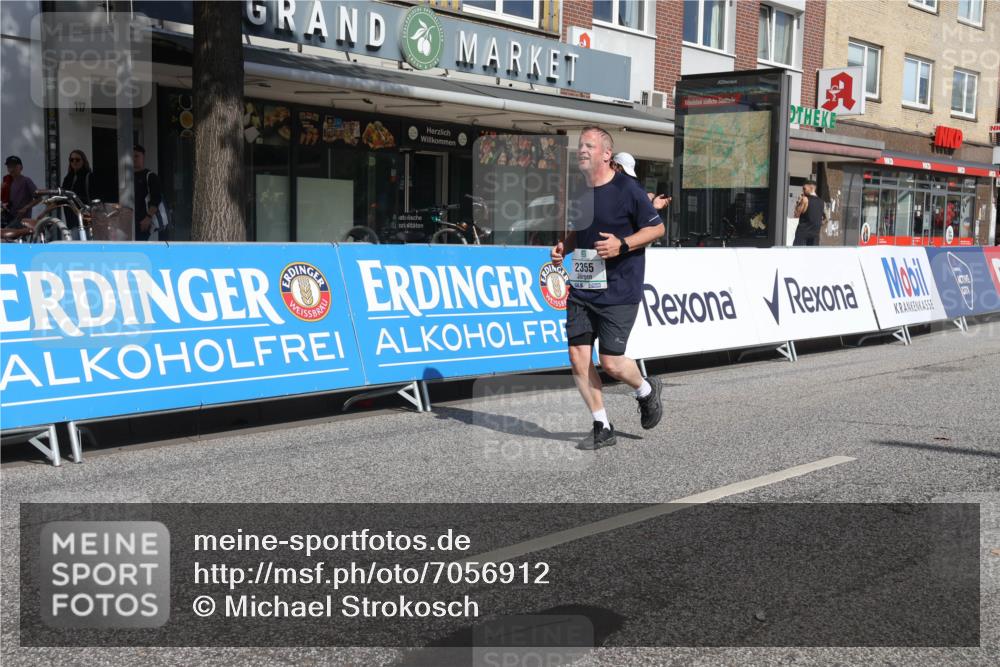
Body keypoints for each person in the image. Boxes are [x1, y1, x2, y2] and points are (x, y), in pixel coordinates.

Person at [551, 127, 666, 450]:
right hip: (583, 287)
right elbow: (580, 231)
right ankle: (602, 425)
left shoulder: (628, 189)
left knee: (612, 363)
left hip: (619, 288)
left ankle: (645, 389)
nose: (582, 150)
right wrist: (565, 246)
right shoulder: (580, 191)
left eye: (589, 146)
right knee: (577, 356)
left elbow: (657, 228)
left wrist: (622, 244)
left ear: (606, 154)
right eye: (580, 146)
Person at [133, 144, 165, 241]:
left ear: (143, 156)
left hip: (142, 222)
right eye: (131, 156)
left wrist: (148, 218)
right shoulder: (126, 178)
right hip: (128, 222)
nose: (134, 159)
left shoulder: (150, 176)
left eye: (136, 156)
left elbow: (156, 198)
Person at [2, 156, 40, 228]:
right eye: (9, 166)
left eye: (14, 166)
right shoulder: (7, 181)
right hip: (8, 217)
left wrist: (25, 208)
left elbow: (39, 198)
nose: (11, 169)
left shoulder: (26, 180)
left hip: (22, 219)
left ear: (21, 167)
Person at [793, 179, 825, 246]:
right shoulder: (822, 202)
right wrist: (817, 224)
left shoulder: (805, 199)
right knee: (812, 255)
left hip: (802, 235)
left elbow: (796, 214)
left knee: (797, 254)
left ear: (811, 188)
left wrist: (798, 202)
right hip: (815, 235)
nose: (803, 191)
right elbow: (826, 219)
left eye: (804, 189)